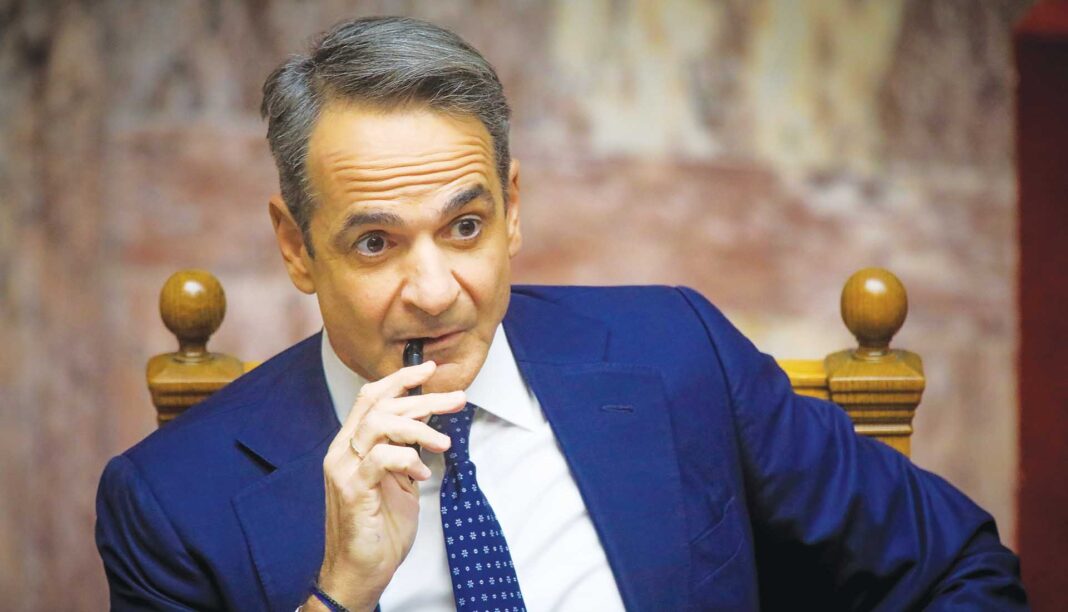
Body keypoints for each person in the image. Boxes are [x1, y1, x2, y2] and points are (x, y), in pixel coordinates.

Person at [95, 16, 1027, 612]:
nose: (435, 290)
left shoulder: (677, 353)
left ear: (512, 209)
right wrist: (341, 592)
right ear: (296, 246)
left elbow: (959, 569)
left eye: (465, 227)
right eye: (375, 243)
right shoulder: (170, 504)